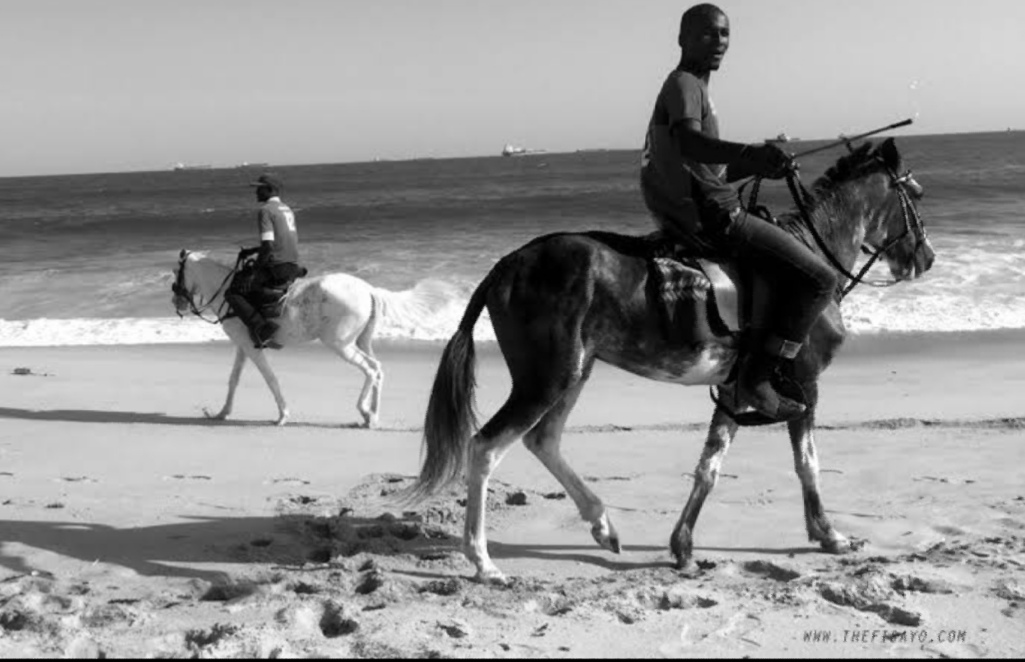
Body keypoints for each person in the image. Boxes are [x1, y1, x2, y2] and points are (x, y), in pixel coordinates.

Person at [640, 3, 838, 421]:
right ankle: (759, 379)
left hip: (695, 207)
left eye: (725, 34)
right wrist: (752, 151)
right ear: (683, 38)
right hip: (710, 217)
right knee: (820, 280)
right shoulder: (684, 85)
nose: (718, 42)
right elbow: (690, 144)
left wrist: (761, 163)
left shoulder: (692, 88)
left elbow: (707, 167)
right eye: (707, 33)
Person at [224, 173, 303, 349]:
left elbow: (268, 245)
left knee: (233, 293)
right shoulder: (286, 208)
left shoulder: (265, 210)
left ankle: (263, 329)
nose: (256, 192)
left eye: (259, 188)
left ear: (269, 190)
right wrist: (252, 251)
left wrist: (255, 272)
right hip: (292, 264)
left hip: (278, 266)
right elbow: (278, 241)